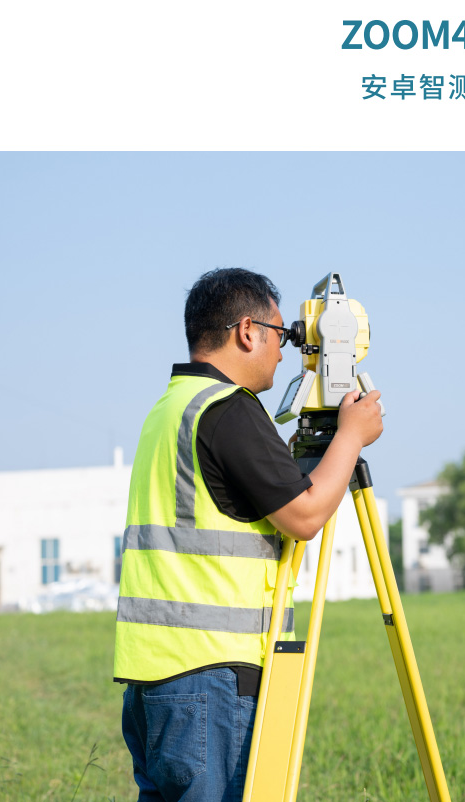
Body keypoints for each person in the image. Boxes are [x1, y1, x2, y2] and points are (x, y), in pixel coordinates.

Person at [114, 268, 383, 802]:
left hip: (155, 678)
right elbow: (305, 516)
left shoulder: (171, 408)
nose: (285, 353)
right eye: (280, 335)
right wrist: (350, 438)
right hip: (211, 677)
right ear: (246, 331)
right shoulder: (228, 410)